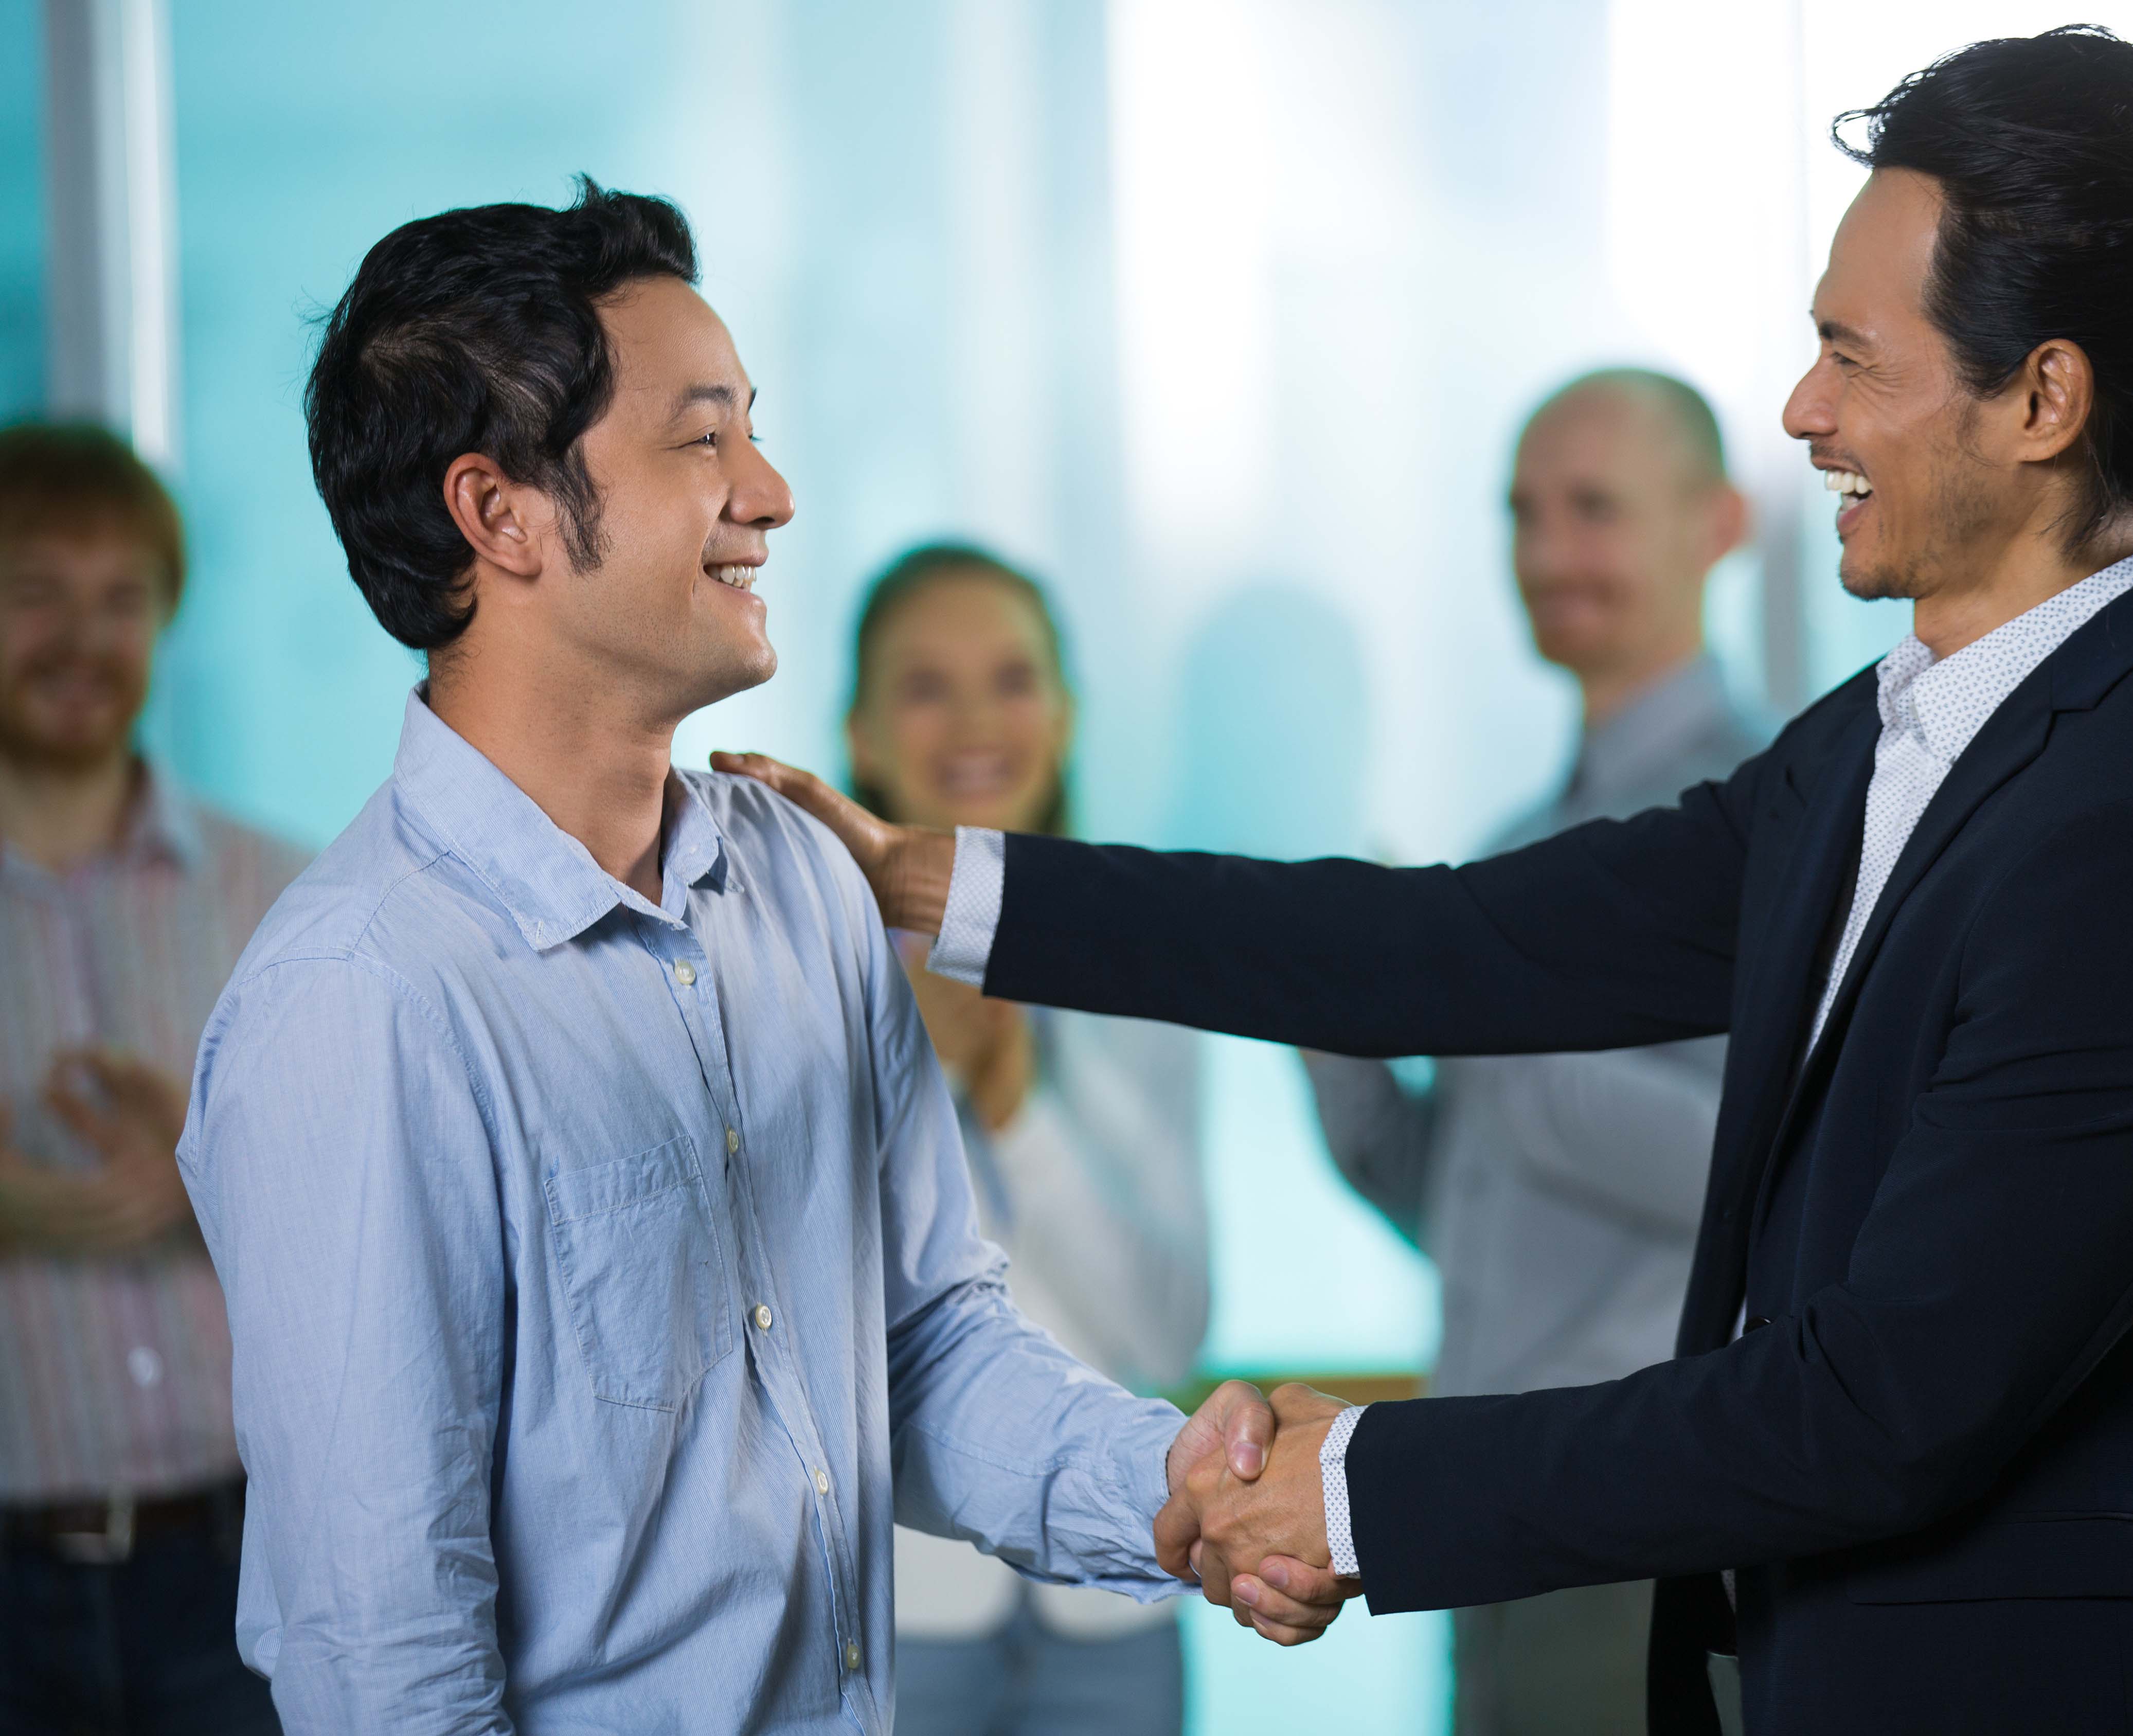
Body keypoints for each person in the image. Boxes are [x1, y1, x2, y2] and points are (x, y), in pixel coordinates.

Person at [724, 29, 2133, 1734]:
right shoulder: (1891, 743)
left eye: (1852, 356)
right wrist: (936, 884)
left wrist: (1354, 1491)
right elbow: (1455, 948)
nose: (1802, 411)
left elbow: (1873, 1407)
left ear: (2043, 400)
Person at [175, 181, 1328, 1736]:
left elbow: (921, 1349)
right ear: (500, 515)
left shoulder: (801, 882)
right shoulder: (359, 1005)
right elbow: (387, 1658)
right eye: (702, 439)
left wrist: (1175, 1485)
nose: (770, 495)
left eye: (753, 433)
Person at [1300, 368, 1756, 1734]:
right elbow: (1457, 1198)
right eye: (1524, 512)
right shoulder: (1514, 853)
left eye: (1594, 508)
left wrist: (1465, 1000)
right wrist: (1333, 1005)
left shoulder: (1768, 828)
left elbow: (1754, 1171)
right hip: (1490, 1514)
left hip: (1647, 1509)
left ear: (1719, 524)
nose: (1550, 553)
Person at [849, 542, 1209, 1734]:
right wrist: (918, 1069)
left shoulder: (1149, 971)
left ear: (1066, 713)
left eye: (1011, 679)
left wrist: (1013, 1102)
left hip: (1116, 1602)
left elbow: (1167, 1327)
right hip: (886, 1605)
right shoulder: (793, 970)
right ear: (859, 730)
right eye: (925, 685)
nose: (973, 723)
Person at [0, 422, 304, 1735]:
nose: (84, 639)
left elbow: (390, 1218)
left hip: (246, 1567)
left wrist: (212, 1173)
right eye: (35, 592)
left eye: (121, 599)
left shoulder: (280, 896)